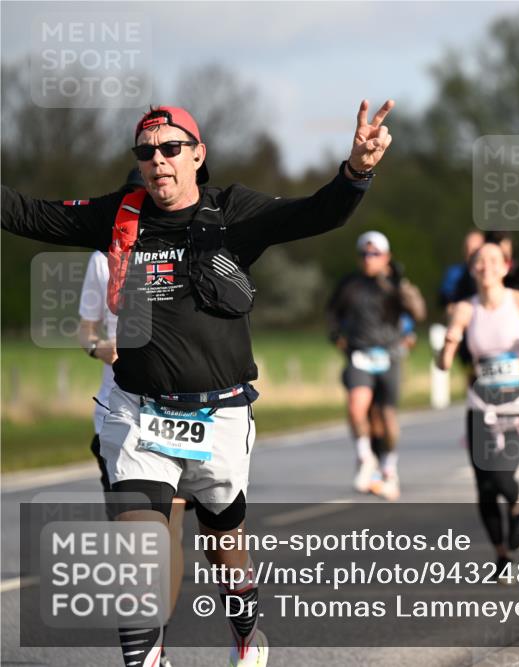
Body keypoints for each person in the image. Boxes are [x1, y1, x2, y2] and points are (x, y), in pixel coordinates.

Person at [2, 100, 393, 667]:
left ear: (197, 154)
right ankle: (147, 657)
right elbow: (27, 213)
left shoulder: (231, 211)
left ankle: (245, 626)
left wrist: (356, 170)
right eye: (145, 152)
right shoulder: (118, 216)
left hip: (220, 417)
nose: (157, 161)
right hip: (136, 415)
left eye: (170, 149)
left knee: (223, 543)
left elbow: (317, 213)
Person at [77, 170, 185, 667]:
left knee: (170, 532)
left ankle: (154, 642)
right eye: (132, 204)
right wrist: (110, 351)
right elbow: (87, 332)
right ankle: (147, 651)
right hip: (119, 412)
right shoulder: (103, 260)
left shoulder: (184, 254)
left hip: (181, 413)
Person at [436, 241, 519, 580]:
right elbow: (444, 364)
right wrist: (448, 343)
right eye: (479, 260)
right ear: (472, 268)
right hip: (481, 403)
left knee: (501, 475)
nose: (486, 265)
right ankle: (503, 557)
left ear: (505, 266)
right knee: (484, 486)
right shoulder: (464, 308)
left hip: (518, 400)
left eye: (493, 260)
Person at [327, 231, 425, 501]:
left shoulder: (394, 285)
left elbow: (418, 312)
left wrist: (402, 285)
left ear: (387, 257)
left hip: (390, 356)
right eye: (365, 254)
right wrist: (337, 338)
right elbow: (333, 314)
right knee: (356, 406)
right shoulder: (350, 284)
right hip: (359, 354)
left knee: (385, 418)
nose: (369, 259)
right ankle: (364, 456)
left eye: (375, 254)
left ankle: (388, 467)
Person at [439, 230, 484, 307]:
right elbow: (444, 299)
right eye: (468, 248)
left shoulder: (488, 272)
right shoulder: (454, 273)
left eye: (475, 250)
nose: (470, 253)